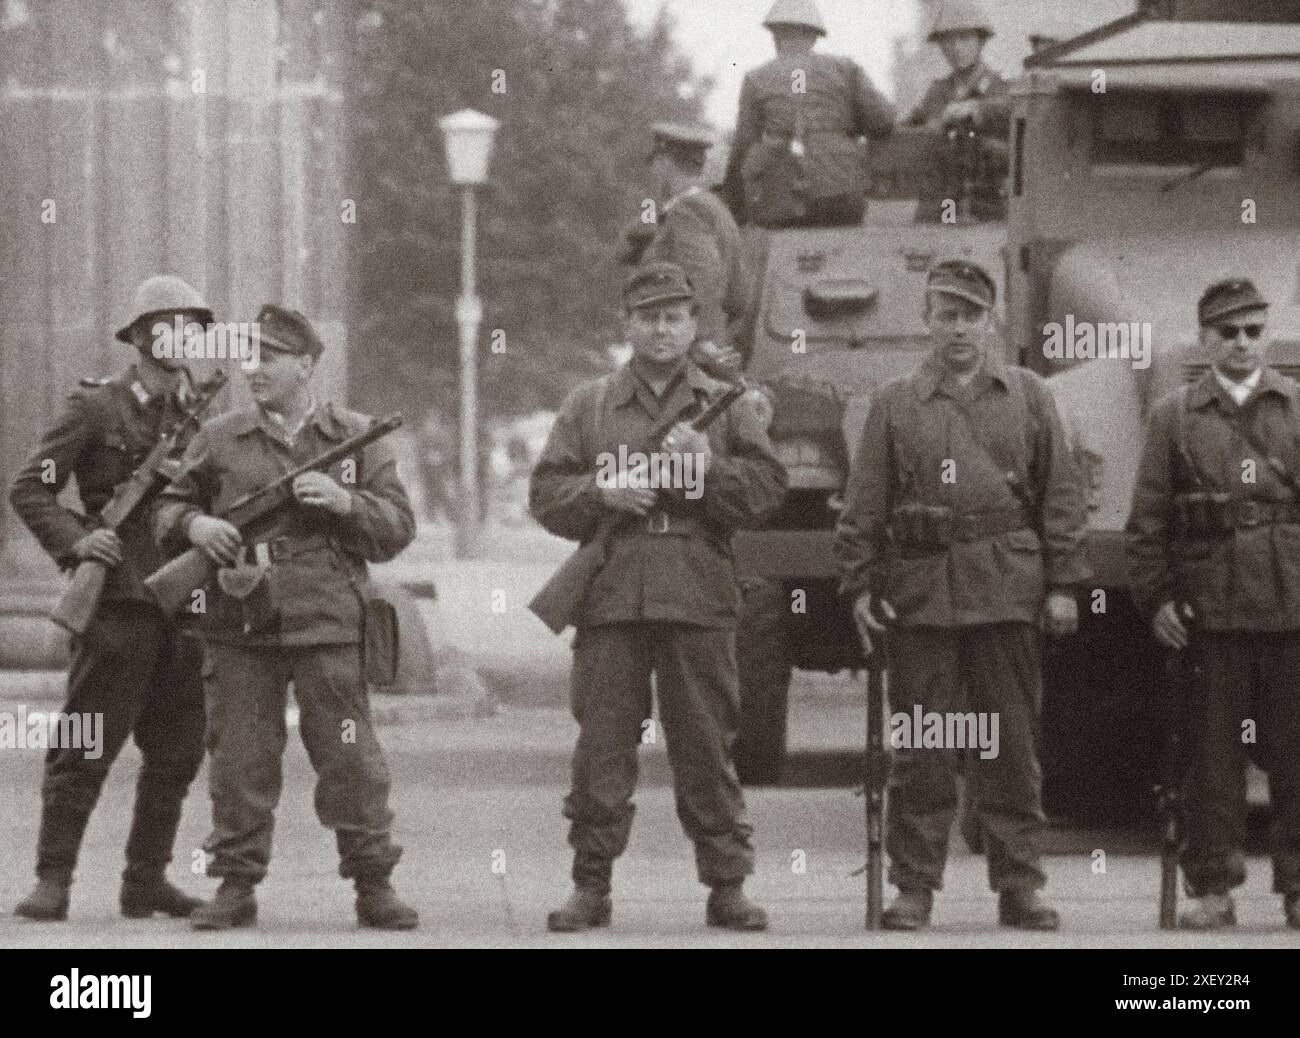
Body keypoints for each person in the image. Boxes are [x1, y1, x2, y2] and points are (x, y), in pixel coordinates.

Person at [529, 262, 787, 932]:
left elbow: (764, 494)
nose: (663, 330)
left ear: (693, 324)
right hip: (613, 595)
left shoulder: (726, 404)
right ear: (629, 324)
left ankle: (727, 885)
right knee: (603, 749)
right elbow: (547, 495)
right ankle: (591, 885)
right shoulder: (590, 405)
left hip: (697, 593)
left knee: (706, 745)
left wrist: (705, 469)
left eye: (674, 317)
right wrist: (601, 495)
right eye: (649, 317)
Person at [834, 259, 1090, 931]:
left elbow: (1061, 495)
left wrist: (1064, 584)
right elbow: (865, 503)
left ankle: (1020, 884)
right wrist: (860, 583)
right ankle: (914, 885)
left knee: (1010, 746)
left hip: (1006, 589)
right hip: (922, 595)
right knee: (924, 747)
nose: (958, 329)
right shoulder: (894, 402)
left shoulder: (1030, 395)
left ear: (991, 321)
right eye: (945, 314)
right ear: (926, 319)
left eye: (971, 315)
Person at [153, 304, 419, 931]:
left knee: (350, 756)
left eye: (268, 357)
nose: (253, 369)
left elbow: (397, 529)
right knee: (240, 756)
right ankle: (235, 886)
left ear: (306, 364)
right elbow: (167, 509)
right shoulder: (220, 437)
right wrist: (198, 523)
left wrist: (347, 502)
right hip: (239, 618)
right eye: (248, 357)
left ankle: (373, 882)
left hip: (326, 615)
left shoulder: (355, 437)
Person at [9, 275, 213, 922]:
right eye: (176, 325)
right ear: (148, 334)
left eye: (194, 327)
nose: (188, 339)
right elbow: (31, 487)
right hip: (118, 602)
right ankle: (54, 880)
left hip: (182, 604)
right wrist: (77, 543)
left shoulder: (201, 418)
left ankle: (145, 881)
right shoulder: (97, 409)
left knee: (177, 752)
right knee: (84, 745)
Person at [1126, 277, 1300, 931]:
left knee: (1297, 755)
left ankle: (1298, 887)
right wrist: (1159, 599)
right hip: (1212, 612)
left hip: (1290, 611)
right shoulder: (1175, 416)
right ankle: (1214, 888)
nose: (1242, 344)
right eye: (1228, 332)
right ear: (1205, 339)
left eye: (1253, 331)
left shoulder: (1295, 407)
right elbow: (1148, 522)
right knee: (1212, 761)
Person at [720, 0, 894, 229]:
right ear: (814, 37)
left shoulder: (756, 78)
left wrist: (733, 207)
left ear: (776, 36)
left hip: (780, 197)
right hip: (842, 191)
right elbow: (882, 120)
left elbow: (743, 147)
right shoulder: (846, 69)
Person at [640, 122, 754, 369]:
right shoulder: (716, 209)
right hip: (707, 349)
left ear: (665, 164)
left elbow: (704, 276)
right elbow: (739, 297)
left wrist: (699, 339)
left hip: (684, 356)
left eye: (655, 166)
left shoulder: (687, 211)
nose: (653, 174)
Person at [905, 1, 1008, 223]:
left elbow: (1016, 113)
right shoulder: (937, 91)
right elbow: (913, 129)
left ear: (981, 41)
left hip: (989, 203)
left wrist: (977, 109)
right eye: (948, 41)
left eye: (965, 39)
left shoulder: (999, 87)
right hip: (944, 201)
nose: (956, 48)